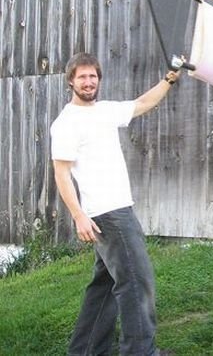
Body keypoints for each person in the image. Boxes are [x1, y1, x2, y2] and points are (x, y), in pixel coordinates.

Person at [50, 52, 181, 355]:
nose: (88, 81)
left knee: (105, 286)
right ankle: (140, 352)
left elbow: (143, 104)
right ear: (71, 81)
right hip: (108, 214)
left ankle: (86, 350)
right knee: (137, 283)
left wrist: (168, 79)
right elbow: (61, 172)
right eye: (82, 76)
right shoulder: (66, 122)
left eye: (93, 76)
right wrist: (78, 216)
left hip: (119, 208)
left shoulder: (105, 111)